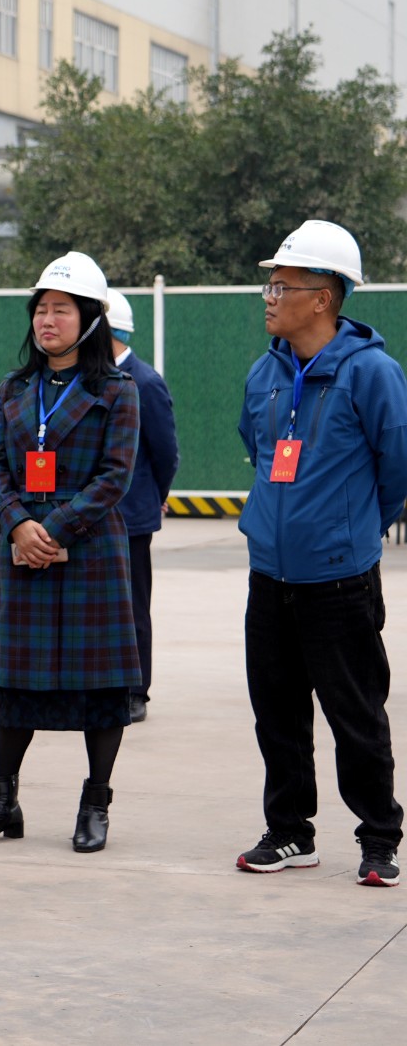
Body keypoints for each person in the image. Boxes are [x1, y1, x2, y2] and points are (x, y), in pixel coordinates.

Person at [235, 219, 406, 887]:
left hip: (339, 582)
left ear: (323, 298)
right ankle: (289, 832)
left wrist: (350, 531)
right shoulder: (265, 373)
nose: (270, 297)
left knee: (355, 715)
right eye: (269, 286)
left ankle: (380, 837)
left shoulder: (372, 373)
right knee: (276, 715)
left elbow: (396, 467)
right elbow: (256, 446)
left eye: (282, 286)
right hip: (269, 577)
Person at [0, 251, 140, 856]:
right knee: (14, 683)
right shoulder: (15, 388)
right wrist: (17, 527)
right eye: (40, 309)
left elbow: (115, 476)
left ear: (90, 319)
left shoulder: (117, 389)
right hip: (22, 546)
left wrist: (54, 529)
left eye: (61, 309)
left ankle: (95, 804)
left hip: (88, 549)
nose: (47, 320)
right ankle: (3, 802)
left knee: (103, 685)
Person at [105, 290, 178, 724]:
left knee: (132, 608)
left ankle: (136, 691)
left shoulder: (144, 381)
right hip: (92, 517)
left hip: (131, 517)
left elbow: (166, 453)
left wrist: (154, 496)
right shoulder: (88, 378)